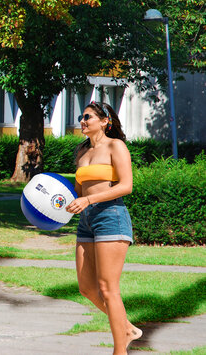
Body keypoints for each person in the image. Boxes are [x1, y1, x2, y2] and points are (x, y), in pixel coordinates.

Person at [65, 101, 142, 354]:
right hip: (86, 219)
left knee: (108, 288)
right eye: (81, 116)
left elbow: (126, 185)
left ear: (104, 121)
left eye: (87, 117)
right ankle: (127, 329)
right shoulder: (82, 152)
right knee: (87, 288)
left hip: (111, 215)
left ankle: (120, 350)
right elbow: (78, 190)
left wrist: (88, 199)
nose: (82, 121)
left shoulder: (115, 146)